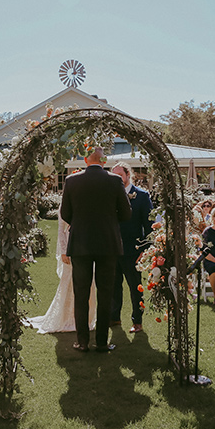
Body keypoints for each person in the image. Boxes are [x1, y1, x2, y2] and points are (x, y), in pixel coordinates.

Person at [61, 146, 132, 353]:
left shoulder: (71, 181)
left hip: (81, 244)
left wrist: (81, 223)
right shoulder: (114, 181)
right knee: (105, 293)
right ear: (104, 161)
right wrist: (109, 222)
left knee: (80, 294)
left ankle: (82, 342)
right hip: (107, 244)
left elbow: (65, 213)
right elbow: (126, 213)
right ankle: (101, 342)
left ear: (85, 160)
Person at [26, 211, 97, 333]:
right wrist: (64, 250)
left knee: (89, 282)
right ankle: (68, 317)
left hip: (87, 246)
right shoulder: (65, 203)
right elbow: (61, 228)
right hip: (71, 245)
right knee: (69, 281)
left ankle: (86, 318)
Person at [110, 162, 152, 333]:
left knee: (136, 288)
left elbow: (149, 226)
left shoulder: (141, 196)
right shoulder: (109, 195)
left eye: (119, 175)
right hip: (112, 249)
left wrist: (144, 250)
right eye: (114, 176)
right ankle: (114, 319)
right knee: (113, 287)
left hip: (133, 250)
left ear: (128, 175)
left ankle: (137, 322)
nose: (117, 179)